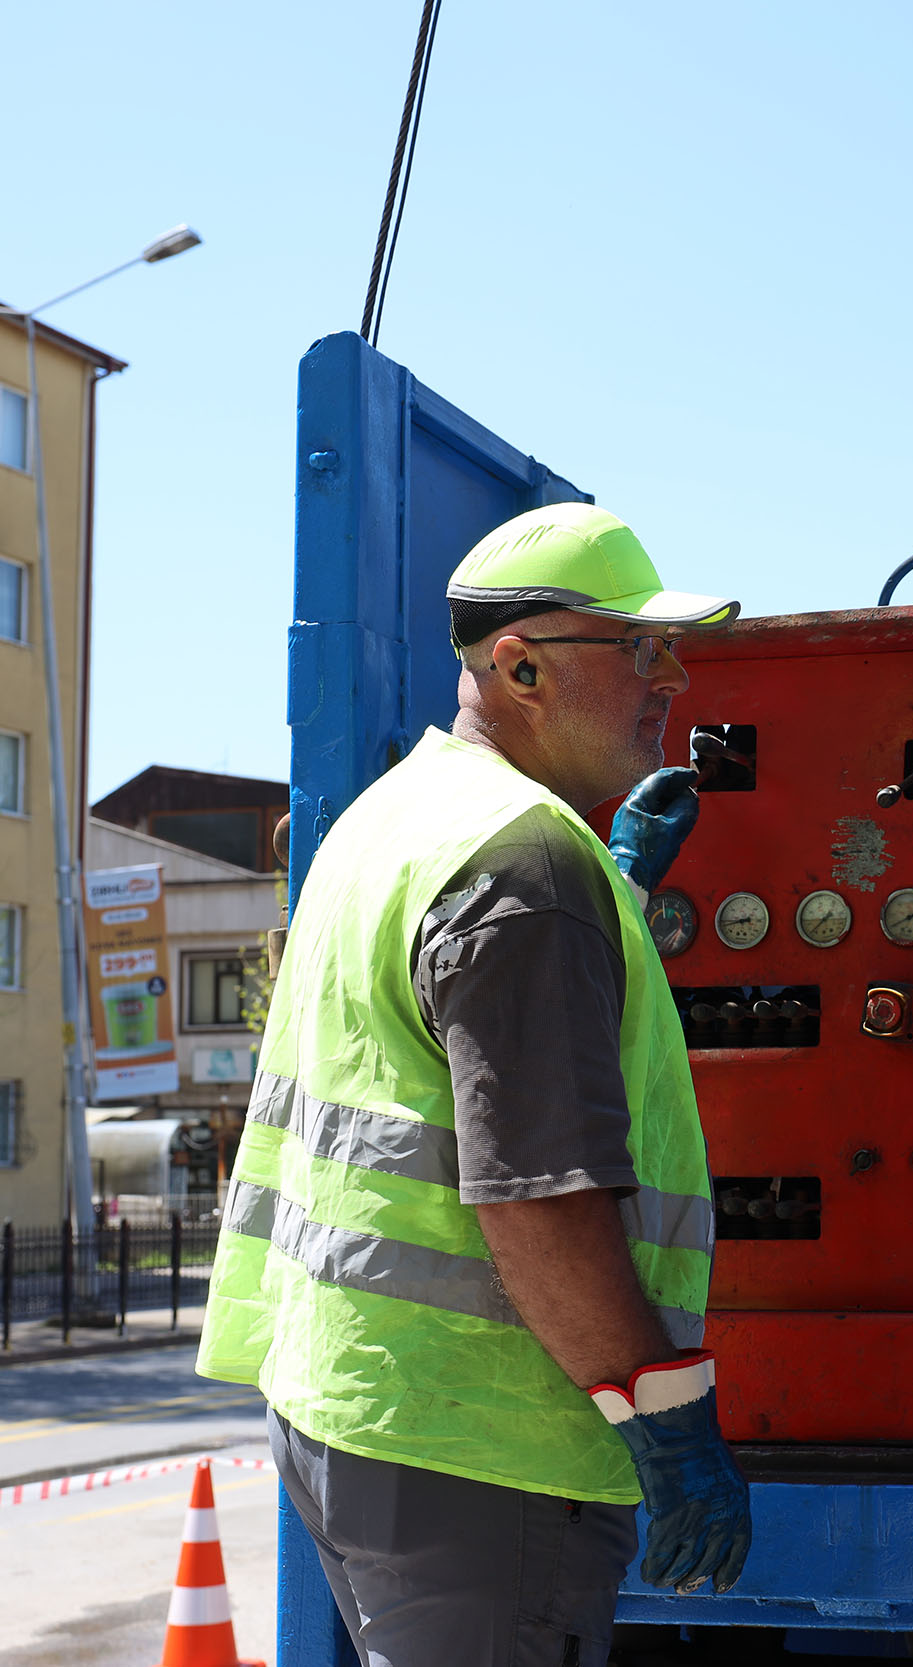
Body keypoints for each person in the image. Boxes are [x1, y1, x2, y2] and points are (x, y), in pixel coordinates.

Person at [198, 503, 751, 1666]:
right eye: (641, 647)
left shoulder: (393, 819)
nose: (675, 675)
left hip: (353, 1406)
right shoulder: (524, 862)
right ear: (521, 665)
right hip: (482, 1441)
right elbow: (537, 1197)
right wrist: (667, 1411)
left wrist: (604, 884)